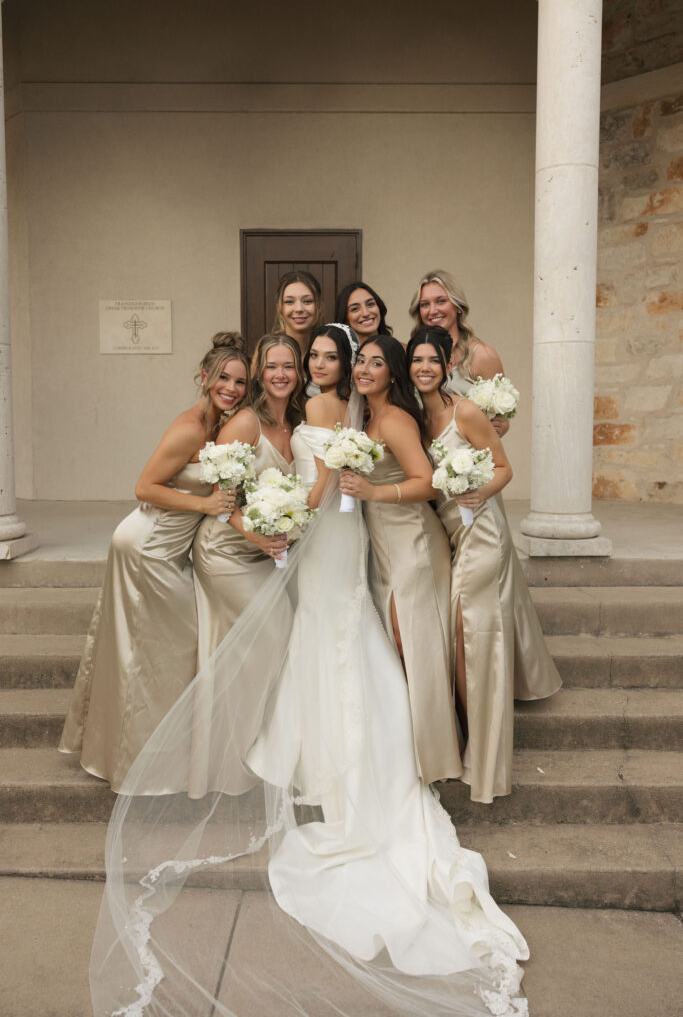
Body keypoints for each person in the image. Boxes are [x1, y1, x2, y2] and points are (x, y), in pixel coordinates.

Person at [90, 326, 530, 1017]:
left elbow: (375, 477)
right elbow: (232, 494)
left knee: (338, 624)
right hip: (304, 534)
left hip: (334, 530)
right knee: (314, 630)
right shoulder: (273, 419)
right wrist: (276, 519)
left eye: (321, 359)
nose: (309, 369)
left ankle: (352, 758)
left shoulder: (347, 413)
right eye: (301, 360)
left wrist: (326, 489)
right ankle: (312, 745)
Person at [58, 332, 248, 792]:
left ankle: (133, 751)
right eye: (223, 377)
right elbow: (144, 487)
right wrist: (205, 506)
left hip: (166, 549)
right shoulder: (189, 427)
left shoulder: (221, 427)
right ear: (203, 378)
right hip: (147, 546)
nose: (232, 387)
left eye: (241, 381)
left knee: (149, 650)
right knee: (150, 652)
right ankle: (132, 763)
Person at [409, 325, 561, 803]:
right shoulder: (415, 419)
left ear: (447, 367)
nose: (426, 368)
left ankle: (488, 760)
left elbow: (503, 468)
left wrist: (478, 492)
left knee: (475, 642)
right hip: (452, 537)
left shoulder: (465, 411)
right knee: (460, 643)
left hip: (482, 536)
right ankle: (469, 741)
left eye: (434, 360)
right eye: (418, 361)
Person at [339, 333, 462, 785]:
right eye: (360, 362)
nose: (365, 370)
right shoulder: (367, 417)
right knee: (399, 647)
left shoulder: (393, 420)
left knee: (418, 649)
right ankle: (412, 749)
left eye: (376, 363)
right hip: (385, 547)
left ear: (393, 372)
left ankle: (435, 758)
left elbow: (427, 482)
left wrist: (373, 491)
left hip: (413, 545)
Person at [192, 333, 306, 668]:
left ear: (299, 373)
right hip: (226, 549)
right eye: (271, 367)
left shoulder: (299, 423)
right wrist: (253, 534)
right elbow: (220, 496)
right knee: (275, 628)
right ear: (259, 374)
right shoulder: (245, 422)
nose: (280, 374)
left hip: (268, 553)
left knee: (274, 642)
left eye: (288, 366)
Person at [409, 269, 509, 436]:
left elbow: (502, 421)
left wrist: (500, 427)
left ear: (457, 306)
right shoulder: (414, 355)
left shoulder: (482, 355)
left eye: (441, 301)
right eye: (425, 304)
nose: (432, 311)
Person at [271, 269, 324, 356]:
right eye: (289, 301)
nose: (299, 309)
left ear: (319, 306)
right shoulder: (268, 349)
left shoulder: (331, 347)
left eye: (307, 301)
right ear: (279, 308)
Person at [335, 280, 393, 344]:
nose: (366, 313)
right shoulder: (338, 353)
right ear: (345, 318)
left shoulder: (401, 350)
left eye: (370, 304)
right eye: (355, 309)